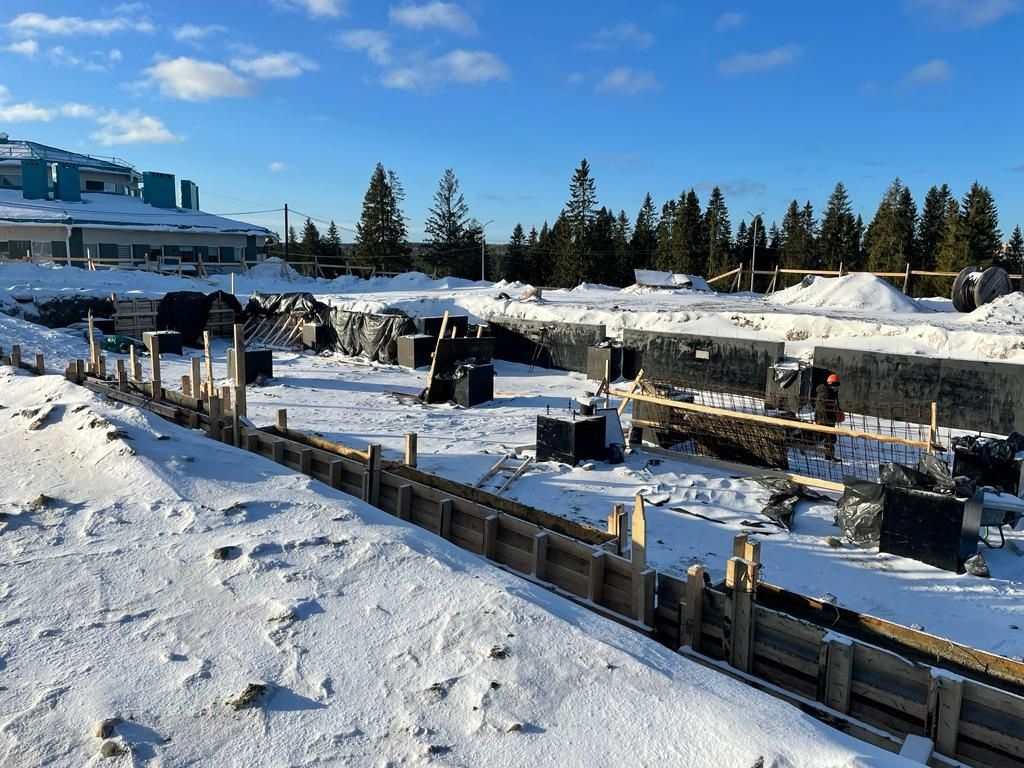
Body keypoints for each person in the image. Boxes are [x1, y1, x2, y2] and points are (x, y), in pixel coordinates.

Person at [813, 373, 845, 462]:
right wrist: (824, 420)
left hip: (829, 418)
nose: (837, 387)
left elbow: (835, 403)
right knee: (828, 438)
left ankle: (829, 455)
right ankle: (829, 456)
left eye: (838, 384)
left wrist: (838, 411)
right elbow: (821, 408)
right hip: (824, 418)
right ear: (829, 383)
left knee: (828, 438)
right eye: (835, 384)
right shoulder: (825, 393)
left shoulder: (832, 392)